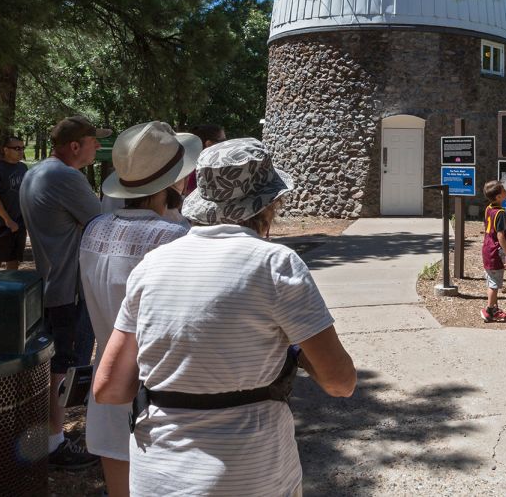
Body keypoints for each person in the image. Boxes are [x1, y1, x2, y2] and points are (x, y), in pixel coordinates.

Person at [93, 138, 356, 496]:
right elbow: (340, 382)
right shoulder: (274, 263)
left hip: (157, 473)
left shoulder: (152, 264)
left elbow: (108, 388)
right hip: (249, 473)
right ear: (269, 205)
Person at [80, 122, 199, 497]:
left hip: (108, 380)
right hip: (164, 393)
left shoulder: (95, 229)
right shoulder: (175, 238)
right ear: (174, 182)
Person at [19, 115, 110, 470]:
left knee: (56, 363)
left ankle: (51, 434)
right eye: (93, 140)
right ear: (75, 146)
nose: (98, 147)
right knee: (64, 366)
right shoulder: (66, 177)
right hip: (68, 288)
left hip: (50, 280)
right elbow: (102, 223)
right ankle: (54, 442)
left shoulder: (37, 172)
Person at [0, 134, 29, 271]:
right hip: (1, 224)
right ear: (5, 150)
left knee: (14, 259)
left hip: (19, 222)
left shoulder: (23, 168)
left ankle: (10, 289)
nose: (21, 151)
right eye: (17, 148)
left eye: (22, 148)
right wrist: (7, 220)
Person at [481, 180, 506, 322]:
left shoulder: (489, 208)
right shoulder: (500, 213)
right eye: (503, 190)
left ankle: (494, 308)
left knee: (491, 280)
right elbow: (500, 235)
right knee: (494, 284)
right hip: (495, 252)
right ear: (498, 197)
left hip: (487, 248)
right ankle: (489, 310)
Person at [182, 123, 225, 195]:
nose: (226, 144)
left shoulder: (187, 168)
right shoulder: (205, 172)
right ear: (209, 144)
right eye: (223, 141)